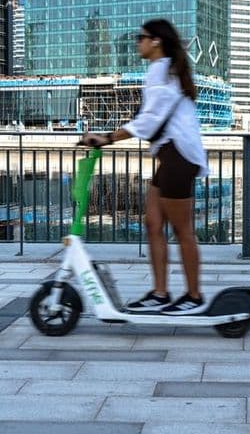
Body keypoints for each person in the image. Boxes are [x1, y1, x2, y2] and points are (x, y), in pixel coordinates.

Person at [82, 19, 209, 315]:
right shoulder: (163, 71)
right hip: (171, 156)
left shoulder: (161, 71)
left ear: (156, 42)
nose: (137, 42)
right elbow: (151, 120)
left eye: (141, 37)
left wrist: (108, 138)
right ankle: (160, 293)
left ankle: (193, 297)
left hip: (179, 156)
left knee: (182, 230)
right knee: (153, 223)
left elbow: (149, 120)